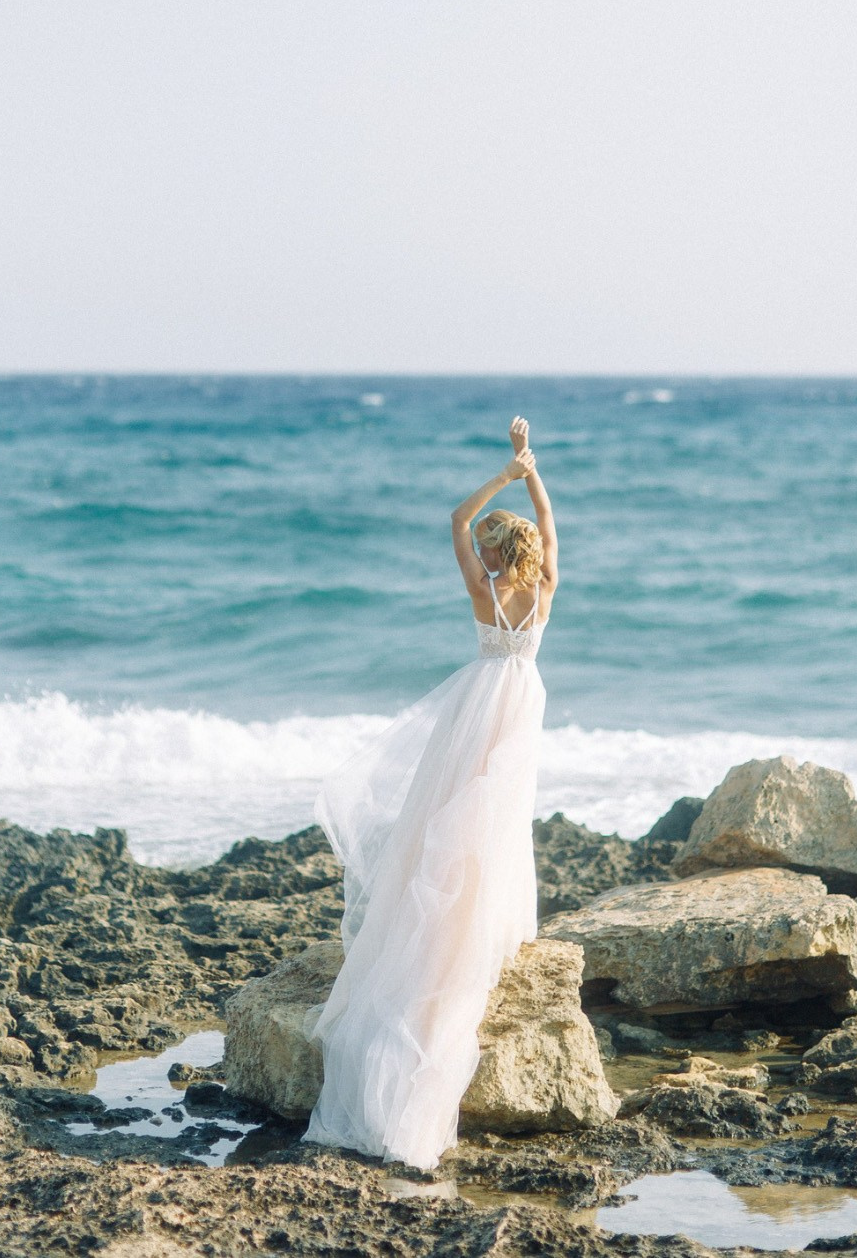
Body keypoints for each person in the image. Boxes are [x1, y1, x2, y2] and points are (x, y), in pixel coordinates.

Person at [303, 416, 557, 1172]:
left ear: (495, 551)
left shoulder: (483, 593)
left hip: (476, 705)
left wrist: (503, 475)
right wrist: (531, 472)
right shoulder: (542, 590)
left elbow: (455, 518)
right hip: (518, 708)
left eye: (487, 545)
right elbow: (548, 523)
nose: (475, 549)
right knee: (492, 828)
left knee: (443, 819)